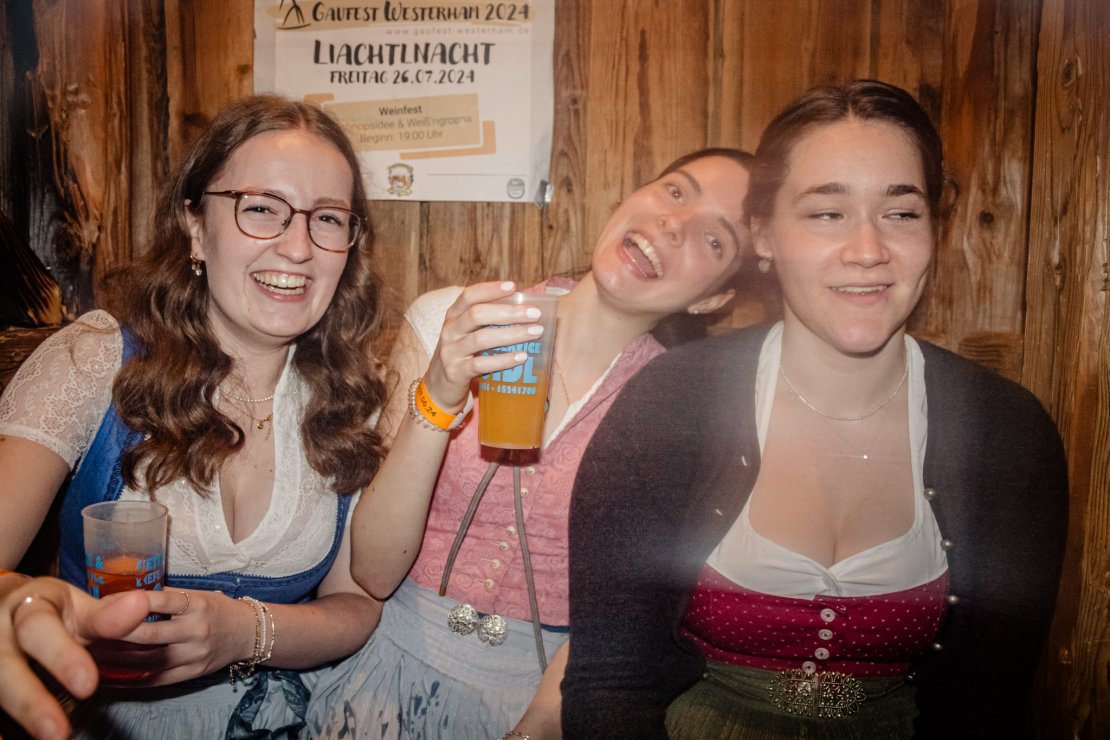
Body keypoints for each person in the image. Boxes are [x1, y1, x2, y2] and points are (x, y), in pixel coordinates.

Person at [561, 80, 1069, 739]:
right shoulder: (669, 403)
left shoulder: (1008, 432)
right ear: (763, 234)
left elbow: (988, 704)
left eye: (901, 213)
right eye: (827, 213)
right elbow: (611, 683)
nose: (868, 249)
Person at [306, 148, 754, 739]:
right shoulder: (456, 320)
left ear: (712, 299)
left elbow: (621, 617)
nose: (676, 224)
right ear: (633, 196)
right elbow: (374, 572)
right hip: (385, 675)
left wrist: (534, 727)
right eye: (676, 191)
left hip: (542, 699)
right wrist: (439, 392)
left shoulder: (680, 409)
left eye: (714, 239)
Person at [0, 94, 388, 740]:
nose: (298, 248)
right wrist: (20, 601)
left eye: (327, 218)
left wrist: (246, 632)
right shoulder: (94, 361)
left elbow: (355, 602)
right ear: (196, 227)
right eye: (260, 208)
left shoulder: (353, 395)